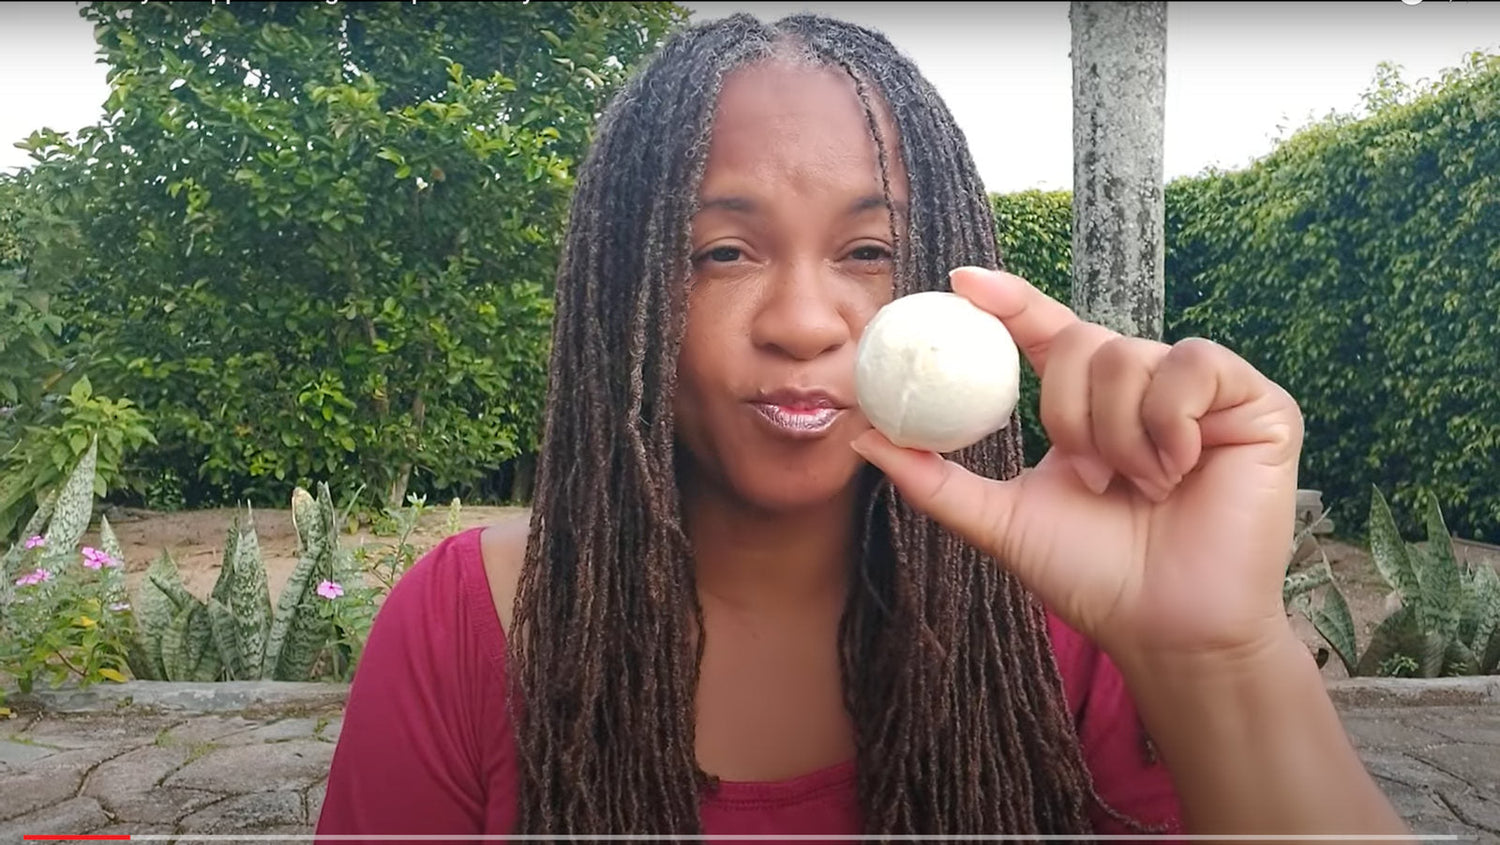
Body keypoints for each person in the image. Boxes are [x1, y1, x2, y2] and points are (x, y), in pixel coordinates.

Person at [316, 12, 1410, 841]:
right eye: (724, 252)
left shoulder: (1081, 624)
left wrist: (1217, 653)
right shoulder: (467, 632)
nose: (803, 320)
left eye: (869, 252)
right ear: (624, 292)